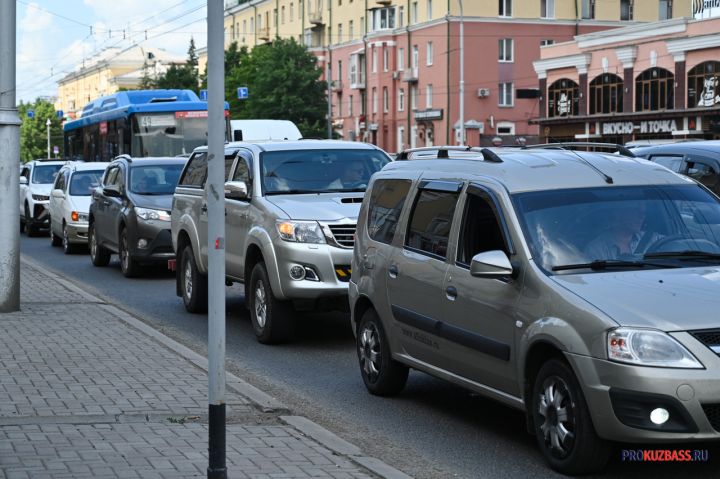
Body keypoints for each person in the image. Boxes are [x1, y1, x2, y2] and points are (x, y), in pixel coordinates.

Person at [584, 204, 662, 260]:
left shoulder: (655, 240)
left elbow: (673, 245)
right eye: (636, 210)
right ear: (618, 213)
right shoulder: (596, 249)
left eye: (644, 212)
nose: (642, 216)